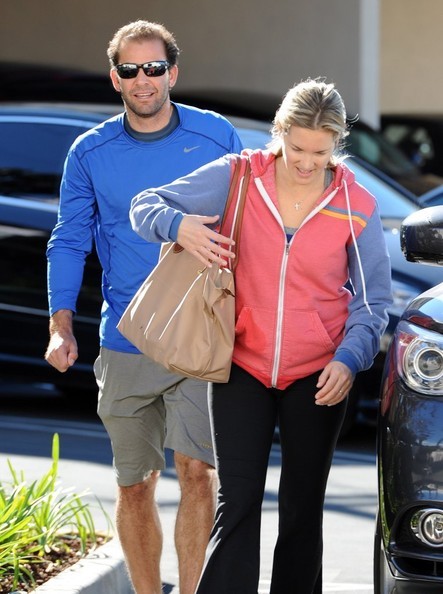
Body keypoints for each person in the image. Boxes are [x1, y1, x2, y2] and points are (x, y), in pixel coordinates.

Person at [129, 78, 393, 594]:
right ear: (280, 133)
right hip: (242, 366)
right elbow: (145, 205)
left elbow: (372, 303)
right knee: (239, 499)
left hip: (319, 374)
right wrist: (179, 226)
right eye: (296, 147)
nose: (306, 162)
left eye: (320, 152)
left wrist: (348, 358)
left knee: (301, 508)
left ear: (336, 145)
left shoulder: (354, 203)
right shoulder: (239, 177)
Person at [44, 20, 243, 594]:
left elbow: (248, 225)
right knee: (135, 483)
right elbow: (69, 238)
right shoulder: (89, 152)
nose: (143, 79)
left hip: (199, 336)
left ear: (172, 73)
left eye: (154, 68)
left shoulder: (216, 137)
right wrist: (61, 325)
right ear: (116, 78)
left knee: (198, 473)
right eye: (130, 70)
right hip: (125, 339)